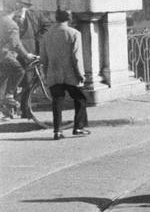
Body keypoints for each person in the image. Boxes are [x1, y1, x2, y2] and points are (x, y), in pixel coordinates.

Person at [38, 9, 88, 139]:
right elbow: (76, 57)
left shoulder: (47, 35)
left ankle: (57, 131)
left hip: (54, 73)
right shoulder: (74, 33)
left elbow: (43, 58)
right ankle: (78, 127)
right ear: (69, 18)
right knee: (80, 99)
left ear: (56, 18)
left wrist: (46, 72)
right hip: (70, 73)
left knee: (57, 101)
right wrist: (80, 74)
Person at [0, 8, 37, 118]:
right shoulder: (11, 24)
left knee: (4, 78)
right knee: (19, 71)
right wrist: (26, 55)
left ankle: (4, 105)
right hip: (4, 55)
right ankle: (9, 96)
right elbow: (16, 44)